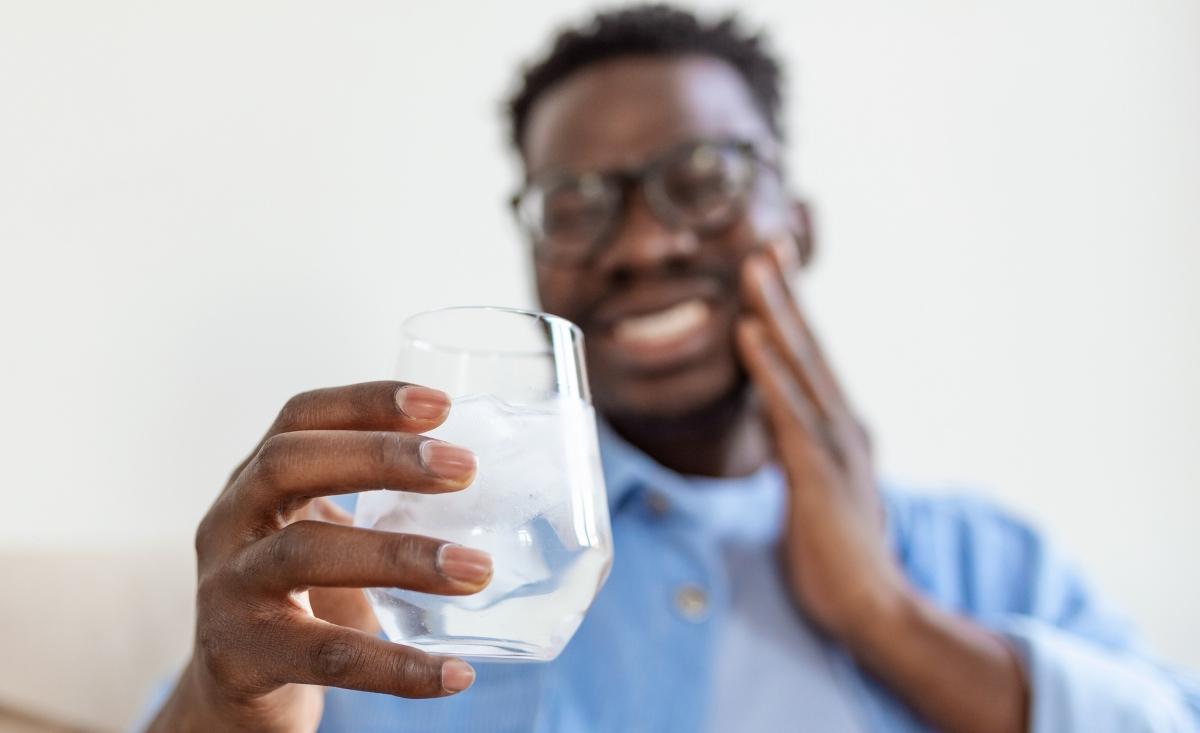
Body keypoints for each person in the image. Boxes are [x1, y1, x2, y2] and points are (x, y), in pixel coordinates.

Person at [145, 5, 1199, 732]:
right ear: (537, 263)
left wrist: (885, 612)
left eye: (702, 176)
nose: (643, 245)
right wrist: (223, 703)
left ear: (799, 223)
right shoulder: (411, 571)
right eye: (575, 204)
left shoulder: (987, 560)